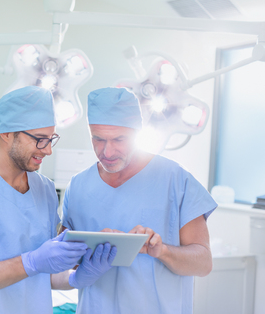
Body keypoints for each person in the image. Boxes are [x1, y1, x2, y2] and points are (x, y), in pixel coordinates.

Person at [0, 86, 116, 314]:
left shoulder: (44, 190)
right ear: (7, 133)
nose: (47, 151)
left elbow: (45, 275)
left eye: (51, 139)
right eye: (39, 140)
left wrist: (77, 277)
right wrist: (30, 262)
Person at [61, 87, 217, 314]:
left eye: (119, 139)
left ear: (137, 132)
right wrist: (88, 254)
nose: (107, 151)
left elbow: (203, 263)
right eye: (98, 139)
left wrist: (162, 250)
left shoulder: (173, 179)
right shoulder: (78, 186)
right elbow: (63, 262)